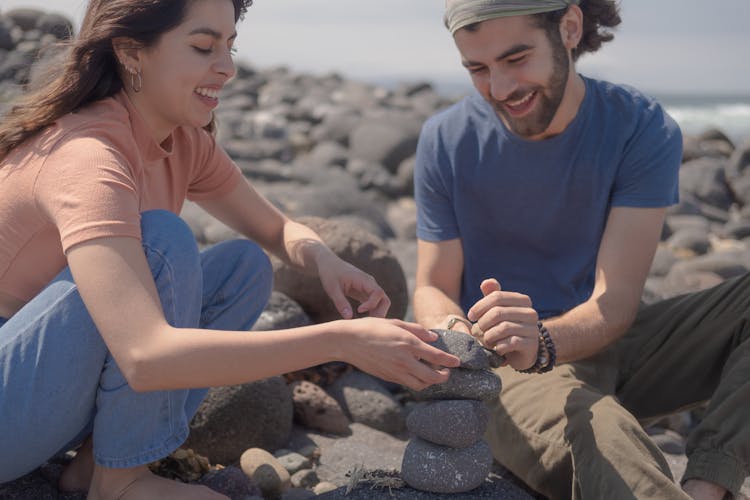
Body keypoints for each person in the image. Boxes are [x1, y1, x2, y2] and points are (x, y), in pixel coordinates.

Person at [0, 0, 462, 498]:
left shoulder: (181, 140)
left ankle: (99, 467)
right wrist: (342, 340)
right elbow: (144, 356)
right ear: (131, 53)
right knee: (162, 242)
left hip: (49, 403)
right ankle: (122, 483)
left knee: (242, 268)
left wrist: (324, 260)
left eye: (230, 46)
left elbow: (275, 229)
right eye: (203, 46)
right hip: (11, 414)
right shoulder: (88, 157)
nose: (228, 67)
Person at [413, 0, 749, 499]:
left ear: (569, 28)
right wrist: (454, 330)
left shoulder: (640, 127)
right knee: (603, 432)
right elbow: (433, 286)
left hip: (609, 340)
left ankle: (706, 484)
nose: (499, 90)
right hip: (509, 367)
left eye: (516, 59)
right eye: (478, 69)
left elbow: (613, 306)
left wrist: (543, 340)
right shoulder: (446, 140)